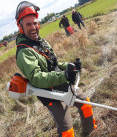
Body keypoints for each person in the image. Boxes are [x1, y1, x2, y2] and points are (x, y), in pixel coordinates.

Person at [15, 1, 97, 137]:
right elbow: (37, 78)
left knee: (85, 103)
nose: (33, 27)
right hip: (48, 93)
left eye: (35, 23)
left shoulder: (41, 42)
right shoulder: (24, 52)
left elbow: (55, 63)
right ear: (21, 27)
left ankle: (90, 132)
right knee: (67, 131)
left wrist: (70, 67)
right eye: (28, 24)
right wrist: (64, 75)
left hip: (61, 84)